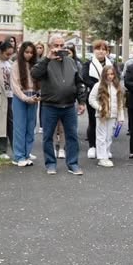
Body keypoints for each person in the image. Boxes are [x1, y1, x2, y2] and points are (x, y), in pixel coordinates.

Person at [32, 35, 87, 175]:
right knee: (48, 136)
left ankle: (73, 164)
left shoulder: (71, 62)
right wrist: (47, 59)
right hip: (50, 105)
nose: (59, 48)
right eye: (56, 45)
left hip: (69, 105)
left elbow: (79, 82)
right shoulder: (45, 62)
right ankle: (50, 164)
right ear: (49, 47)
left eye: (62, 45)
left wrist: (81, 101)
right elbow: (35, 74)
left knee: (72, 136)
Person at [88, 63, 124, 167]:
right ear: (104, 75)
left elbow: (120, 103)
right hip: (102, 115)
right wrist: (100, 108)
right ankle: (102, 157)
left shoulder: (117, 86)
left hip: (113, 115)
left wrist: (121, 117)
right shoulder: (98, 85)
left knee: (109, 136)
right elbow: (91, 99)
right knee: (101, 136)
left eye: (112, 74)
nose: (110, 76)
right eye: (108, 74)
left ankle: (106, 153)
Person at [10, 41, 40, 167]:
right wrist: (25, 98)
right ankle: (19, 156)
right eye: (27, 52)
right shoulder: (16, 65)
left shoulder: (36, 65)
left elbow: (40, 83)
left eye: (31, 52)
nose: (29, 55)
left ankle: (27, 154)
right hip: (20, 98)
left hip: (33, 96)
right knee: (19, 127)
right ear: (22, 52)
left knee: (30, 127)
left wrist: (37, 96)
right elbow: (15, 86)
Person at [81, 39, 110, 159]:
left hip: (109, 96)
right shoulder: (88, 64)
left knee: (107, 122)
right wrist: (99, 87)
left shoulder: (111, 64)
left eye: (103, 49)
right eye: (98, 49)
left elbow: (116, 77)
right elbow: (85, 78)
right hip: (93, 96)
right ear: (94, 50)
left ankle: (104, 147)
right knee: (93, 121)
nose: (101, 51)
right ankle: (92, 146)